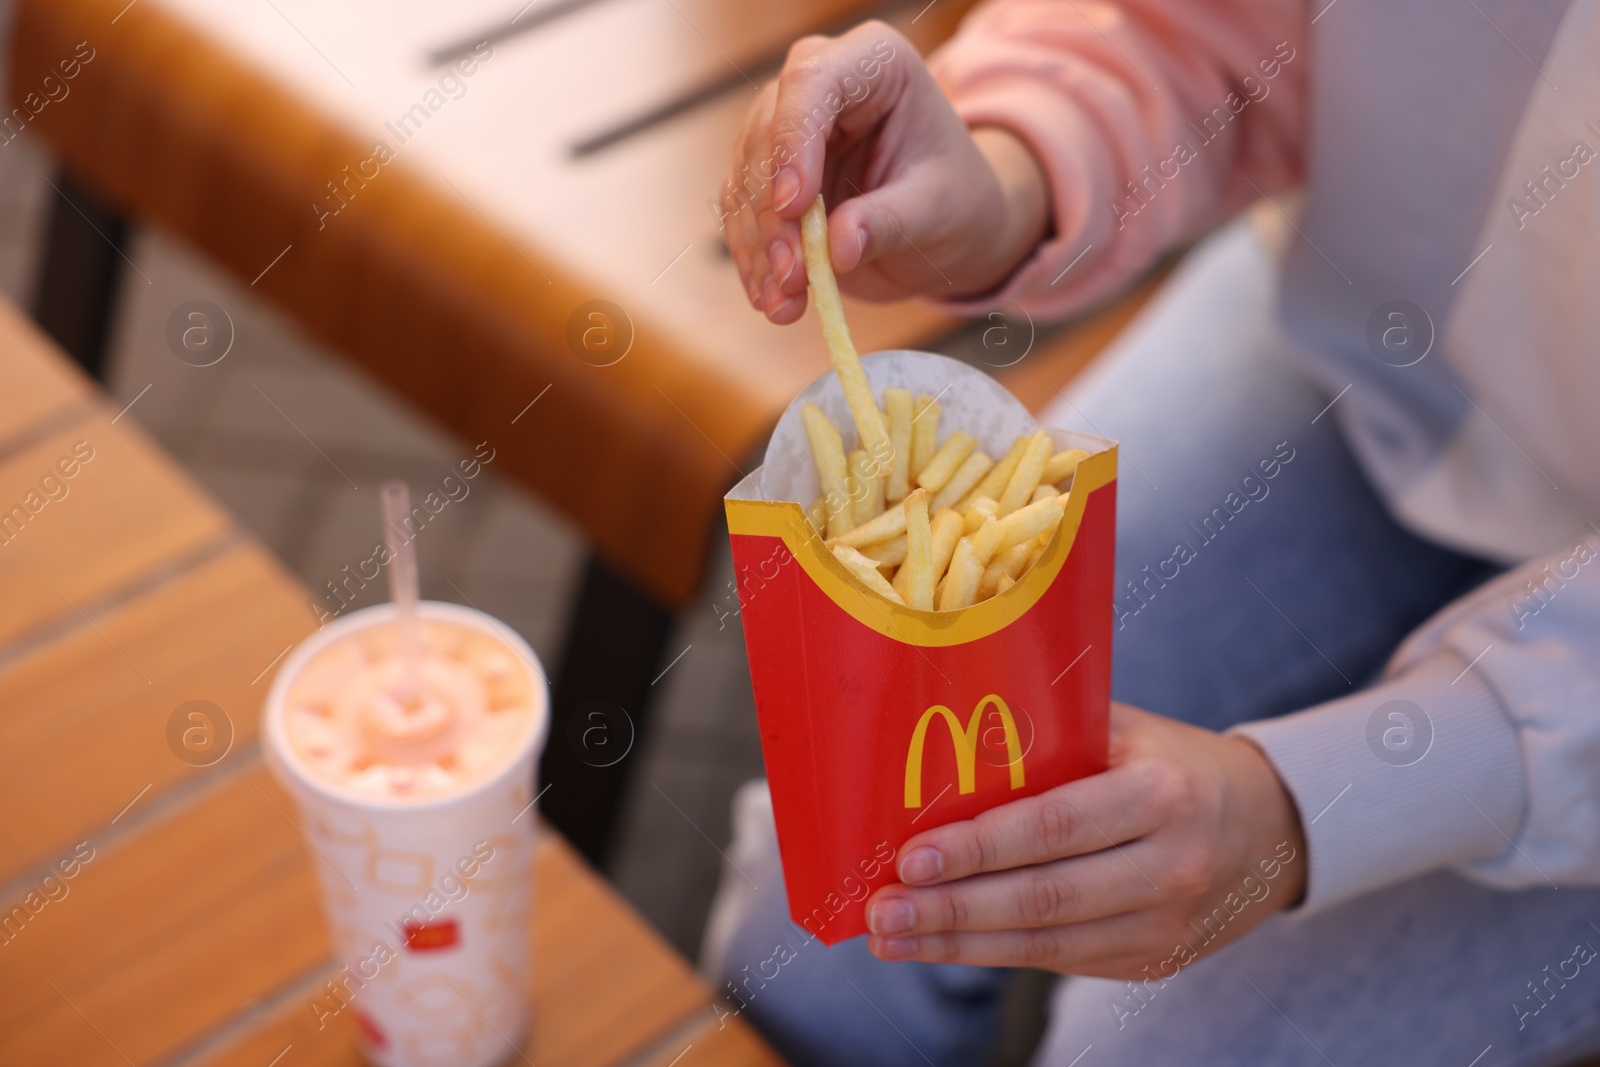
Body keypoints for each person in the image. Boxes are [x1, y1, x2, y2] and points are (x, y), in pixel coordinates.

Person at [704, 2, 1600, 1065]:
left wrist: (1298, 809)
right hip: (1354, 339)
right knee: (828, 915)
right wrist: (1011, 166)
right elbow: (1201, 24)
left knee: (1142, 1042)